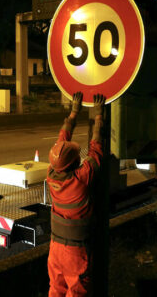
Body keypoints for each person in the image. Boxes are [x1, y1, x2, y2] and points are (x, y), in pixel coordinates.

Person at [46, 91, 106, 297]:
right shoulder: (80, 180)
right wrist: (99, 116)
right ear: (73, 163)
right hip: (75, 252)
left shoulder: (52, 174)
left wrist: (73, 113)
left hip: (55, 248)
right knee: (77, 292)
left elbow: (61, 143)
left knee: (56, 289)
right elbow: (96, 149)